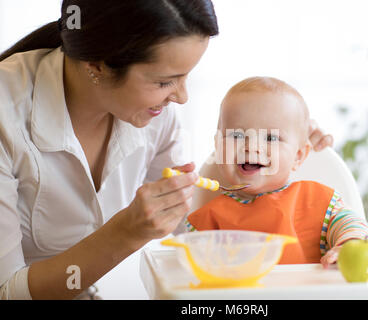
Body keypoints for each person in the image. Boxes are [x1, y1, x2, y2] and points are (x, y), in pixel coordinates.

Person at [0, 1, 332, 300]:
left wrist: (279, 134)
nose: (181, 97)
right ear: (97, 65)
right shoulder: (6, 111)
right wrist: (124, 234)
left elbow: (189, 220)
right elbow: (7, 291)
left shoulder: (155, 114)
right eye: (165, 82)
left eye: (186, 76)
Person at [185, 76, 368, 267]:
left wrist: (349, 244)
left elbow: (353, 225)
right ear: (218, 147)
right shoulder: (208, 220)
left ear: (298, 156)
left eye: (270, 138)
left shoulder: (316, 201)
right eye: (237, 135)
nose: (252, 146)